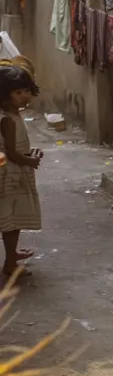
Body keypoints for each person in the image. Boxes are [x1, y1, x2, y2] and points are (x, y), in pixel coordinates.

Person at [0, 65, 42, 279]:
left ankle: (11, 256)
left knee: (12, 220)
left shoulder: (13, 115)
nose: (24, 96)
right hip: (11, 174)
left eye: (26, 90)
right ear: (5, 96)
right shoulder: (7, 119)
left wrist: (28, 154)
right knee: (11, 220)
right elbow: (12, 153)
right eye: (18, 92)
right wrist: (30, 160)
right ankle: (9, 262)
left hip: (15, 172)